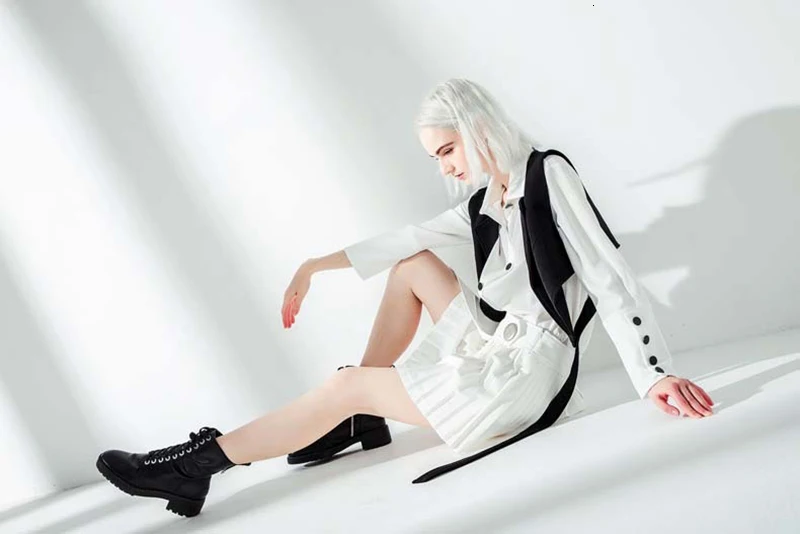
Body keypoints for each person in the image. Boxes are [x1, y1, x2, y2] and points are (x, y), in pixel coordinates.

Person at [96, 78, 714, 516]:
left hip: (529, 376)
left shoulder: (548, 174)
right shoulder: (486, 201)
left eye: (448, 149)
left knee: (346, 383)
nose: (445, 167)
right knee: (412, 266)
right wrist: (314, 266)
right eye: (436, 156)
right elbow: (408, 239)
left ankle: (195, 468)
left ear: (479, 128)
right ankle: (360, 416)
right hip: (504, 345)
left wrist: (653, 373)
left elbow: (609, 276)